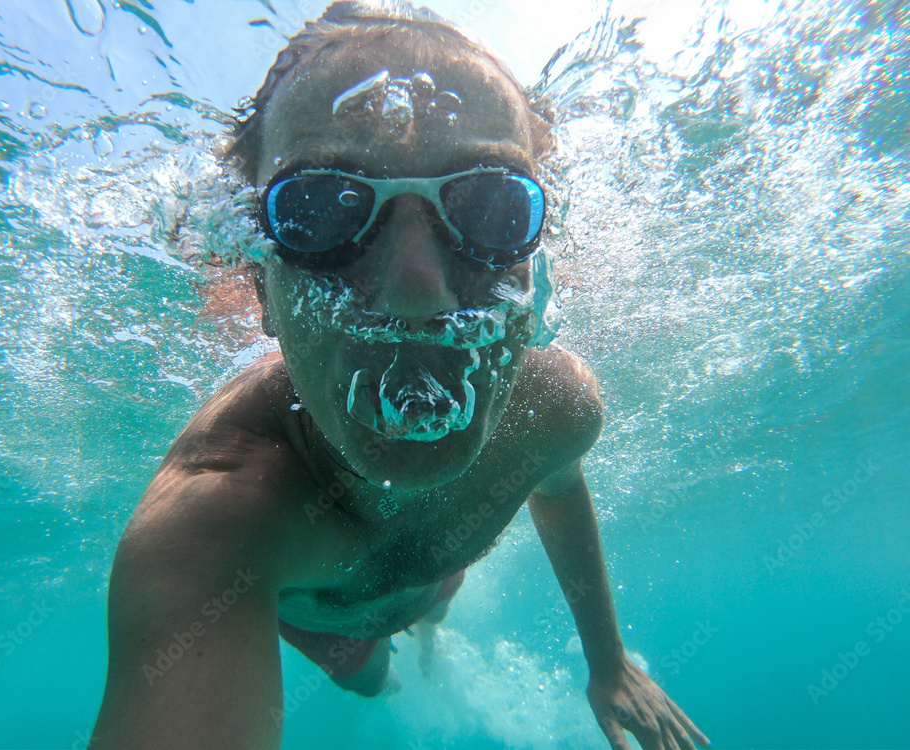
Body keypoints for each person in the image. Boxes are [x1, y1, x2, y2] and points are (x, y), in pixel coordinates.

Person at [90, 3, 710, 749]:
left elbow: (558, 482)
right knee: (368, 672)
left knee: (436, 603)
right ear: (260, 291)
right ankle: (387, 672)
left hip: (429, 582)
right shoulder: (218, 518)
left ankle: (431, 634)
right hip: (333, 631)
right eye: (319, 210)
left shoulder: (555, 410)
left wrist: (611, 666)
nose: (418, 291)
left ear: (534, 264)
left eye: (491, 209)